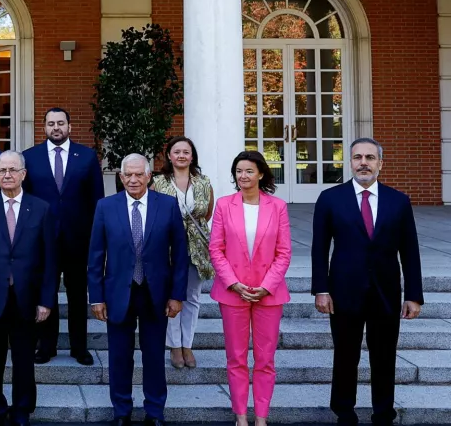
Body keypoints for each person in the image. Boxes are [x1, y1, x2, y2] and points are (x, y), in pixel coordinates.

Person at [312, 137, 423, 426]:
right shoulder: (330, 199)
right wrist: (321, 289)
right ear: (350, 162)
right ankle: (344, 412)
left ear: (380, 164)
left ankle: (383, 414)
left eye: (370, 158)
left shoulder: (399, 201)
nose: (364, 163)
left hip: (386, 293)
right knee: (345, 356)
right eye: (358, 157)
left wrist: (413, 294)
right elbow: (319, 248)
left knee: (384, 357)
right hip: (343, 292)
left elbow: (410, 250)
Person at [87, 153, 188, 426]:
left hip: (156, 294)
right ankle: (122, 410)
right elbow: (95, 255)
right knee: (120, 357)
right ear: (121, 177)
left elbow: (180, 254)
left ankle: (155, 411)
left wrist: (177, 295)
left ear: (148, 176)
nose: (133, 179)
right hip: (118, 293)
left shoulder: (167, 205)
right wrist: (96, 297)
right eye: (128, 175)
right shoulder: (105, 207)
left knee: (154, 356)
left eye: (138, 174)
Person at [0, 151, 56, 426]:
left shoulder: (41, 208)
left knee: (24, 360)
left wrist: (46, 300)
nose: (7, 175)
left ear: (23, 174)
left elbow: (50, 260)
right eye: (2, 170)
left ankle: (21, 410)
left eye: (12, 170)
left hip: (26, 298)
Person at [209, 151, 292, 426]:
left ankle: (261, 418)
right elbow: (216, 249)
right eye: (238, 171)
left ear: (261, 174)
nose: (242, 176)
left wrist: (267, 286)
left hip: (269, 294)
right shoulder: (224, 205)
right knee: (236, 357)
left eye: (248, 171)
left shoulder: (277, 206)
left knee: (265, 359)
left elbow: (284, 252)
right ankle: (241, 417)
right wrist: (233, 283)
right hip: (233, 292)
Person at [21, 107, 104, 365]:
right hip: (42, 239)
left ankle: (79, 347)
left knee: (77, 294)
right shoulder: (29, 157)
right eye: (51, 123)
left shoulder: (87, 156)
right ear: (44, 127)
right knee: (45, 292)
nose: (55, 128)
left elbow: (97, 201)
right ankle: (46, 346)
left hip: (78, 239)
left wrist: (96, 237)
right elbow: (25, 201)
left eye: (60, 123)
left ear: (69, 126)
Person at [151, 136, 214, 369]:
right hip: (165, 247)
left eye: (186, 152)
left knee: (193, 297)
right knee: (170, 295)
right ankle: (174, 345)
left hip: (196, 248)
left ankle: (187, 344)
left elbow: (207, 213)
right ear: (169, 155)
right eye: (176, 152)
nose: (181, 156)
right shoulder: (158, 182)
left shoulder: (204, 182)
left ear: (192, 156)